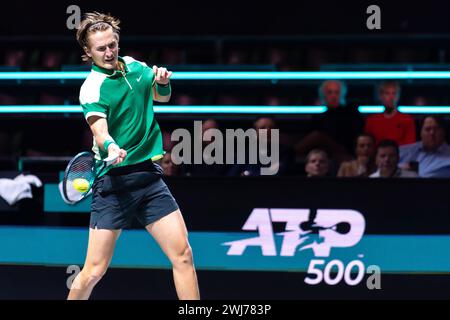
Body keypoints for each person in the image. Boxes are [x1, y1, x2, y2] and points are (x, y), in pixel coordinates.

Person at [68, 12, 199, 300]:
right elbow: (100, 132)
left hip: (149, 179)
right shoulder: (92, 88)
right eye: (101, 49)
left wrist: (162, 81)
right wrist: (111, 147)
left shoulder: (137, 68)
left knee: (184, 255)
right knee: (93, 271)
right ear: (88, 52)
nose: (109, 52)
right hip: (113, 185)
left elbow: (160, 97)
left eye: (112, 45)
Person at [295, 80, 363, 163]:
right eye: (329, 92)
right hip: (322, 151)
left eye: (337, 92)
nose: (333, 95)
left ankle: (288, 154)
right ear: (323, 95)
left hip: (344, 150)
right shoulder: (318, 117)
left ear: (342, 94)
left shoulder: (351, 112)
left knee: (316, 136)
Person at [364, 81, 416, 146]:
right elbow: (367, 145)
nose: (391, 97)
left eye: (394, 93)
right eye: (387, 93)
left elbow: (410, 147)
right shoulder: (371, 120)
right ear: (380, 96)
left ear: (398, 96)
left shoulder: (407, 120)